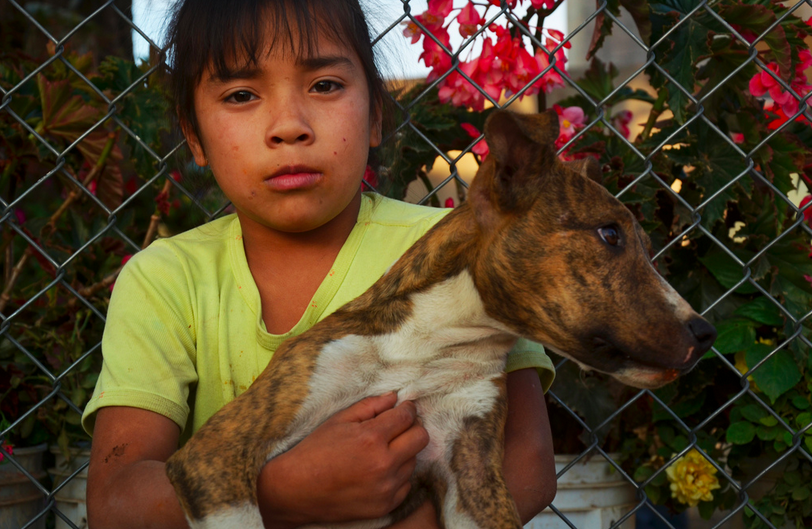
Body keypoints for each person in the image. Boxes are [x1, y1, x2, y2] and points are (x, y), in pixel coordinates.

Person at [82, 0, 557, 527]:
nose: (289, 126)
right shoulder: (164, 280)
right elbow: (117, 501)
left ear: (375, 114)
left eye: (325, 85)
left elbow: (528, 461)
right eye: (241, 95)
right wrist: (286, 490)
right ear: (194, 135)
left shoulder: (457, 252)